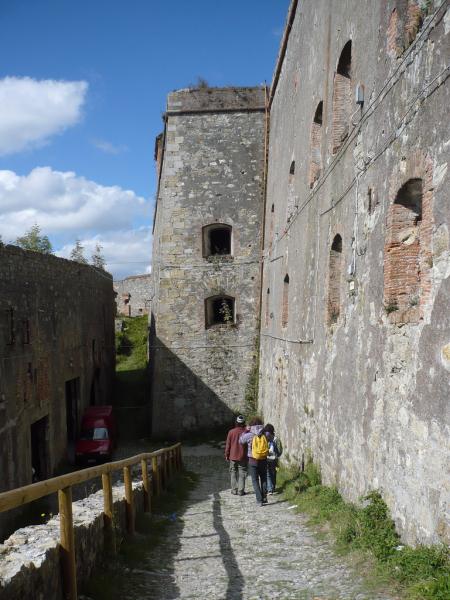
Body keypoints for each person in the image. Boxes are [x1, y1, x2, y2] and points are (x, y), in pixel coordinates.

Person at [239, 417, 268, 506]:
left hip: (253, 460)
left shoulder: (250, 434)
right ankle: (264, 497)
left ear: (251, 425)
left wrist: (245, 431)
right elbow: (270, 439)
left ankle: (259, 500)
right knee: (263, 478)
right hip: (263, 459)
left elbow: (240, 441)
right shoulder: (265, 434)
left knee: (255, 480)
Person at [225, 415, 248, 496]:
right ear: (244, 423)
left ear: (236, 422)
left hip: (233, 455)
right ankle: (241, 491)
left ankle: (234, 490)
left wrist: (226, 454)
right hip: (243, 456)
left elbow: (228, 445)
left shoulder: (231, 432)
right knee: (242, 473)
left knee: (233, 472)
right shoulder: (246, 432)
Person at [264, 423, 282, 494]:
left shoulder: (265, 438)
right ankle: (273, 487)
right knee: (273, 473)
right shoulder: (276, 439)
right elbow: (280, 450)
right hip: (274, 459)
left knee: (268, 473)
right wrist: (277, 455)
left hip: (267, 458)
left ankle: (270, 489)